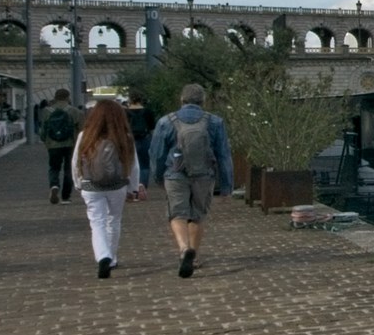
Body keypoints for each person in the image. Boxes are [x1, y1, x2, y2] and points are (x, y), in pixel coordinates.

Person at [147, 83, 234, 278]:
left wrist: (158, 176)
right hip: (204, 175)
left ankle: (184, 248)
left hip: (175, 173)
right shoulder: (215, 122)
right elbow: (224, 155)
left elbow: (157, 154)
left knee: (177, 214)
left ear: (182, 99)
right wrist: (227, 186)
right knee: (198, 214)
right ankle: (194, 256)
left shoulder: (166, 122)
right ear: (203, 101)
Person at [73, 99, 141, 280]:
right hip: (117, 185)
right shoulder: (124, 136)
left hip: (91, 185)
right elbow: (133, 165)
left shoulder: (85, 135)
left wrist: (78, 182)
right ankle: (112, 258)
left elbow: (75, 161)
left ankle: (103, 256)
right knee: (114, 220)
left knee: (97, 223)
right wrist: (133, 188)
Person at [38, 96, 81, 204]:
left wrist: (44, 140)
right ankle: (66, 197)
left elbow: (43, 128)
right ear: (68, 98)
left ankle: (54, 185)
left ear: (55, 98)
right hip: (70, 144)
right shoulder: (74, 111)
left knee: (54, 167)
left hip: (53, 144)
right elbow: (81, 128)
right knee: (68, 169)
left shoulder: (47, 111)